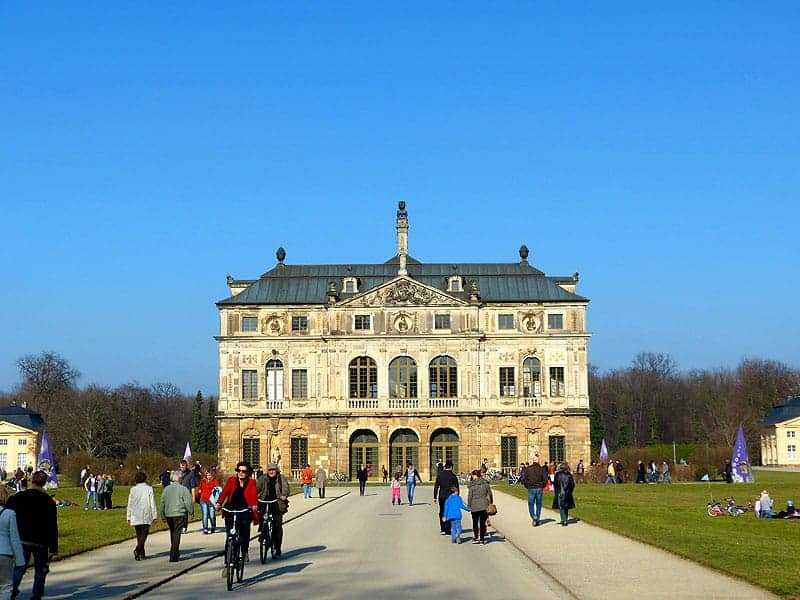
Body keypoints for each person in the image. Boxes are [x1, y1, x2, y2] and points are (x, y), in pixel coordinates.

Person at [8, 470, 58, 600]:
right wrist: (53, 548)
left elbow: (7, 513)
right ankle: (36, 595)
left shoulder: (19, 497)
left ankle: (11, 591)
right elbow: (52, 526)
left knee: (19, 568)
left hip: (23, 538)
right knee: (40, 570)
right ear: (44, 483)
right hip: (40, 541)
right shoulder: (49, 502)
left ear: (32, 480)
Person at [216, 461, 259, 564]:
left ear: (248, 472)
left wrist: (254, 505)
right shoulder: (231, 480)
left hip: (244, 510)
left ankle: (244, 552)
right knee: (229, 537)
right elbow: (225, 492)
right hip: (231, 509)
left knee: (244, 532)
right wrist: (218, 503)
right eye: (239, 470)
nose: (241, 473)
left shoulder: (252, 482)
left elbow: (253, 494)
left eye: (243, 471)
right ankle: (227, 563)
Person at [255, 463, 290, 558]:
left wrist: (284, 495)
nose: (271, 471)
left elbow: (286, 487)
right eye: (270, 470)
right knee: (262, 518)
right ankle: (263, 533)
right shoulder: (263, 478)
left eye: (273, 470)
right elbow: (256, 488)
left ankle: (277, 547)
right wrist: (253, 496)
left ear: (277, 470)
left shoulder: (281, 478)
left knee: (277, 525)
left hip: (277, 502)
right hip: (264, 501)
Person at [160, 473, 195, 562]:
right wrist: (191, 512)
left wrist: (162, 514)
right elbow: (188, 502)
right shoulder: (183, 489)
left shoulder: (166, 489)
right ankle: (174, 554)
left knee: (173, 532)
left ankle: (175, 550)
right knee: (177, 534)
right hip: (179, 514)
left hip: (169, 514)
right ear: (179, 479)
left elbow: (162, 503)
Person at [0, 486, 25, 599]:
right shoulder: (9, 514)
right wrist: (20, 561)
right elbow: (14, 539)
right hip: (5, 554)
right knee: (6, 587)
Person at [127, 471, 157, 560]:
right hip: (145, 513)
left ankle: (141, 553)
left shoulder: (133, 489)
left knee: (139, 534)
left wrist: (128, 516)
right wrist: (154, 515)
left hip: (135, 513)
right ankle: (138, 549)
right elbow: (152, 503)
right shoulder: (149, 488)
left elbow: (130, 503)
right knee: (144, 533)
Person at [520, 455, 548, 527]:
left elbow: (523, 479)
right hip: (539, 488)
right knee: (538, 504)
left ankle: (533, 516)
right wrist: (542, 486)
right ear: (538, 461)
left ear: (533, 460)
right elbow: (545, 480)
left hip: (531, 488)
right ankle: (537, 519)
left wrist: (527, 485)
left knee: (531, 504)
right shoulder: (542, 469)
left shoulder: (528, 469)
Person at [467, 469, 493, 544]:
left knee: (475, 522)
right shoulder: (485, 483)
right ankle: (482, 539)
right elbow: (490, 494)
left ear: (475, 476)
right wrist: (491, 502)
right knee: (482, 522)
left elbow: (470, 496)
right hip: (484, 505)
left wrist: (469, 505)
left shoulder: (472, 485)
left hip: (474, 505)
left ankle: (476, 537)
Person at [433, 461, 459, 535]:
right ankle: (448, 529)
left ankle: (443, 528)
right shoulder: (453, 476)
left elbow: (436, 486)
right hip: (451, 497)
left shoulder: (440, 475)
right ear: (451, 467)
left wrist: (435, 496)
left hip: (442, 496)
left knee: (442, 512)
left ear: (445, 467)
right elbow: (457, 488)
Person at [178, 460, 198, 533]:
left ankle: (184, 526)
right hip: (178, 495)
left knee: (185, 511)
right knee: (179, 511)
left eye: (183, 466)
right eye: (181, 466)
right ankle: (179, 525)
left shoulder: (190, 474)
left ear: (186, 466)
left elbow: (193, 486)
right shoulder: (178, 474)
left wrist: (193, 497)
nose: (182, 467)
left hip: (187, 495)